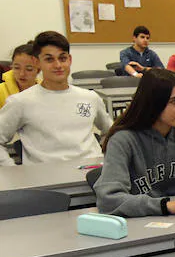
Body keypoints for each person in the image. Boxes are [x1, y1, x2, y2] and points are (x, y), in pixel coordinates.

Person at [94, 69, 175, 217]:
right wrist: (167, 205)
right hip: (141, 224)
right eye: (174, 101)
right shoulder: (123, 139)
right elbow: (108, 200)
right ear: (153, 103)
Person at [0, 31, 112, 166]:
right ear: (37, 62)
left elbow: (110, 132)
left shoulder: (90, 98)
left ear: (69, 60)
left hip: (90, 176)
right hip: (46, 181)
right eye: (49, 59)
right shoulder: (20, 102)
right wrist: (13, 171)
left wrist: (107, 160)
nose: (58, 65)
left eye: (62, 58)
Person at [0, 42, 40, 109]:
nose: (22, 74)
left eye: (29, 69)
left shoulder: (45, 91)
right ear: (11, 66)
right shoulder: (1, 91)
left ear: (38, 70)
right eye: (17, 68)